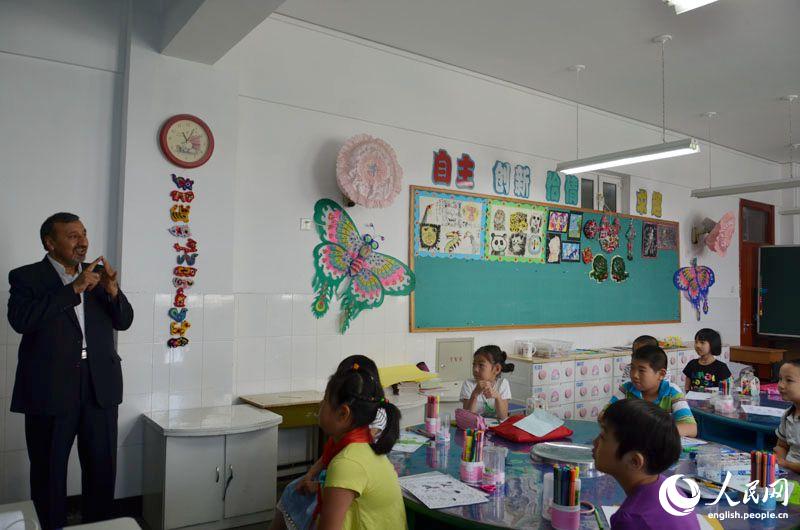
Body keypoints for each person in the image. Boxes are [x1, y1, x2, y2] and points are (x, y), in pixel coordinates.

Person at [7, 212, 134, 529]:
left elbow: (124, 321)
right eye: (73, 236)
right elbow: (21, 321)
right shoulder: (26, 277)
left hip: (99, 386)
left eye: (84, 234)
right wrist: (73, 289)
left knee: (102, 470)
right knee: (48, 473)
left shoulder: (98, 274)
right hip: (50, 389)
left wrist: (113, 291)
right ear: (50, 243)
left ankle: (99, 526)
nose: (83, 242)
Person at [272, 355, 399, 530]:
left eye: (325, 400)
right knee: (292, 491)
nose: (320, 404)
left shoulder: (347, 463)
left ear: (343, 414)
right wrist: (312, 476)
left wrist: (317, 486)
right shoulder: (356, 445)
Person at [593, 399, 700, 530]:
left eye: (603, 437)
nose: (594, 442)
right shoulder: (670, 489)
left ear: (634, 461)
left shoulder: (631, 519)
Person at [607, 345, 697, 437]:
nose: (634, 375)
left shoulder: (672, 392)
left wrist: (656, 432)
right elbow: (605, 416)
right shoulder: (627, 389)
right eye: (632, 368)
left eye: (641, 370)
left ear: (661, 374)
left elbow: (691, 428)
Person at [460, 345, 514, 420]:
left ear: (497, 369)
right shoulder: (468, 384)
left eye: (481, 365)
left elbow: (503, 416)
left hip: (496, 426)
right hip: (474, 426)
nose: (475, 369)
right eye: (474, 364)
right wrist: (475, 394)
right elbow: (467, 418)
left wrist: (497, 397)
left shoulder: (502, 384)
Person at [774, 359, 800, 473]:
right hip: (789, 474)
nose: (781, 385)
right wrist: (779, 460)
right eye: (780, 379)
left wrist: (786, 464)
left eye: (789, 380)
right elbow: (781, 445)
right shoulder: (788, 414)